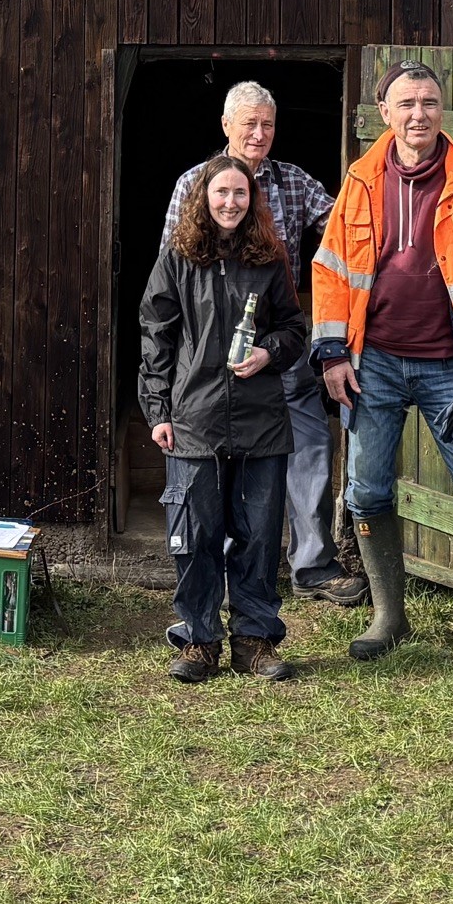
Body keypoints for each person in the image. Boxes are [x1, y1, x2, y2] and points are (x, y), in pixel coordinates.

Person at [309, 59, 453, 685]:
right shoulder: (360, 179)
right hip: (373, 362)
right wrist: (332, 354)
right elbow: (330, 271)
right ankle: (389, 617)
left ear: (442, 110)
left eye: (429, 102)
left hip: (451, 368)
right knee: (366, 491)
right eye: (406, 104)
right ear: (385, 112)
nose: (418, 115)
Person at [161, 83, 349, 603]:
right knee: (223, 461)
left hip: (280, 342)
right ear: (226, 125)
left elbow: (345, 225)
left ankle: (312, 564)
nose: (259, 134)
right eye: (249, 123)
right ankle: (226, 574)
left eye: (268, 124)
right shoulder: (195, 183)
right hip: (215, 355)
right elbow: (169, 279)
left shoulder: (293, 181)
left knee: (311, 443)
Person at [140, 155, 310, 683]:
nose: (231, 202)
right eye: (222, 192)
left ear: (252, 200)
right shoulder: (179, 257)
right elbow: (155, 334)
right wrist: (157, 409)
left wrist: (268, 353)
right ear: (203, 198)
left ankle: (254, 641)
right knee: (195, 534)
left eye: (240, 193)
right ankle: (199, 641)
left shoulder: (270, 258)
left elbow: (293, 330)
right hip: (194, 416)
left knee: (259, 534)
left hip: (261, 419)